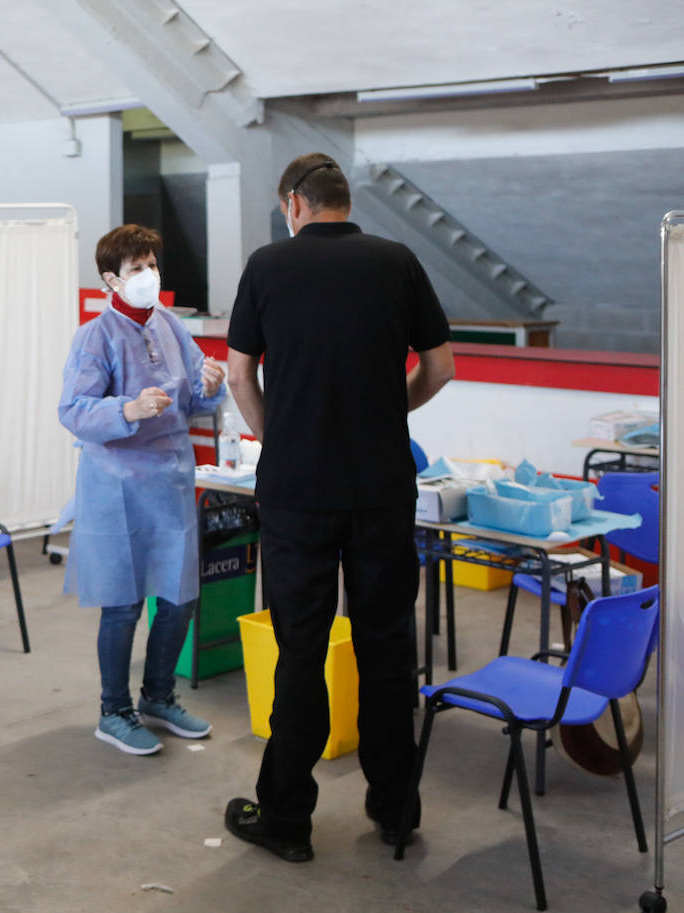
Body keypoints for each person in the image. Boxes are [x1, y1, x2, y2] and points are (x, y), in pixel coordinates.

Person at [223, 153, 456, 862]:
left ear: (295, 203)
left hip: (298, 491)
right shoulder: (397, 261)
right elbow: (440, 368)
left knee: (301, 650)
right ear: (342, 202)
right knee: (386, 645)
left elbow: (239, 375)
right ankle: (395, 811)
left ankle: (287, 819)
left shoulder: (268, 266)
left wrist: (277, 433)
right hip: (382, 488)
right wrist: (392, 412)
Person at [57, 224, 226, 756]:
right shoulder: (94, 337)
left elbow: (193, 398)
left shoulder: (172, 327)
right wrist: (126, 409)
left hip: (169, 478)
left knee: (178, 597)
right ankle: (114, 710)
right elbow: (74, 411)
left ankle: (158, 696)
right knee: (124, 604)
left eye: (151, 265)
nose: (148, 275)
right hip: (117, 485)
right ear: (111, 280)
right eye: (136, 269)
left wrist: (210, 385)